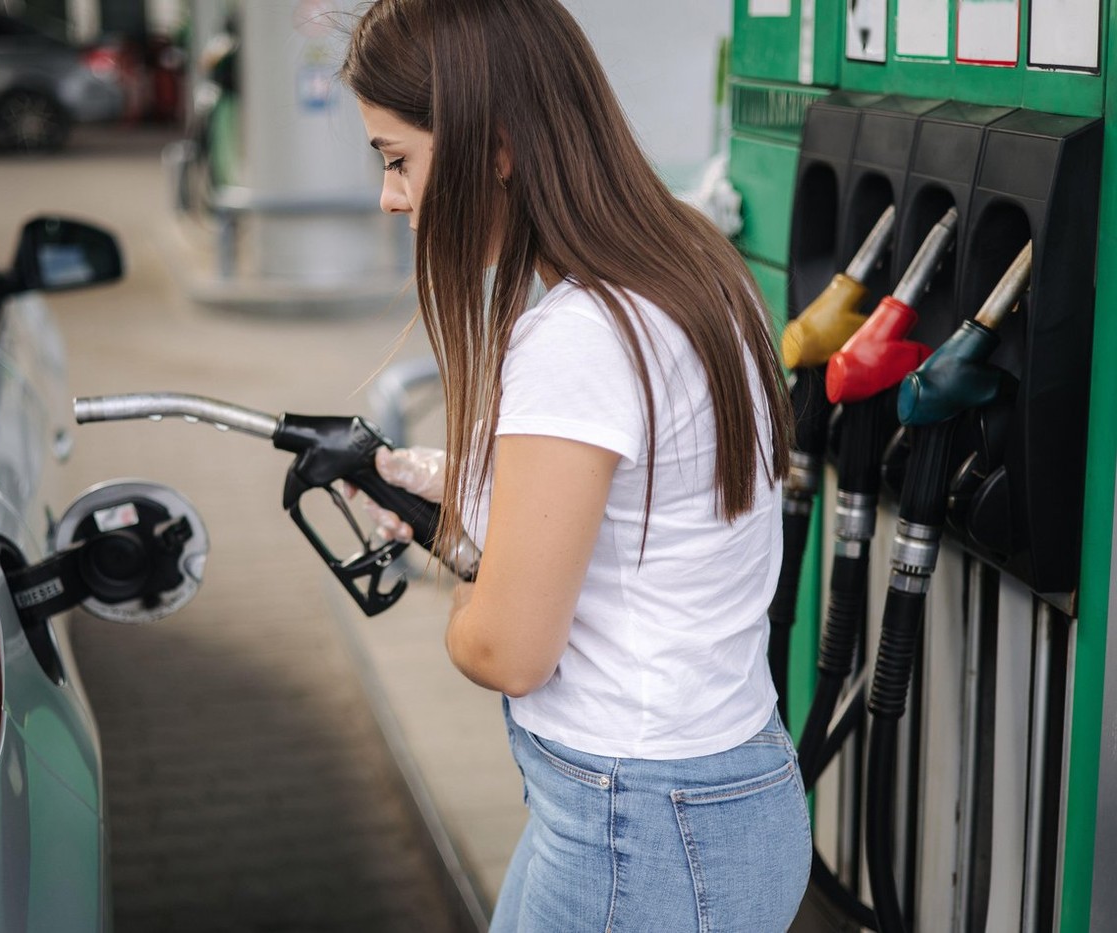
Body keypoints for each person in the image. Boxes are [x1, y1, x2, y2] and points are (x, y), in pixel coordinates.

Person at [340, 1, 812, 930]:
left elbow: (507, 650)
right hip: (699, 794)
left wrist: (468, 589)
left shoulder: (580, 334)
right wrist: (467, 489)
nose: (392, 197)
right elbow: (651, 517)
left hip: (641, 826)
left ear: (496, 147)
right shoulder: (689, 261)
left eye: (397, 159)